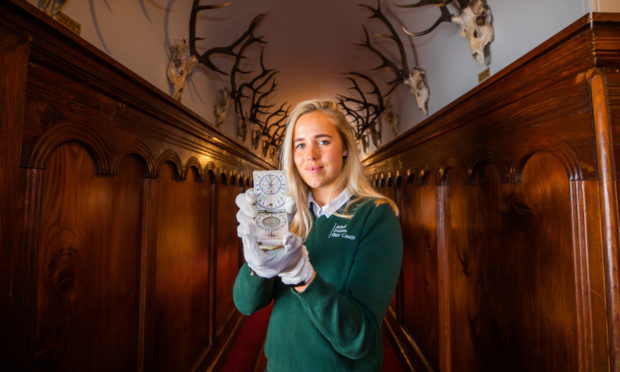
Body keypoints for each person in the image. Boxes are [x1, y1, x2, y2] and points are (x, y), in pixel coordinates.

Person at [233, 99, 403, 372]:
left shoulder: (376, 216)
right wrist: (258, 265)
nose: (309, 154)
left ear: (345, 147)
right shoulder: (285, 212)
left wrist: (302, 275)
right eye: (300, 144)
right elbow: (245, 304)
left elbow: (359, 338)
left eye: (322, 141)